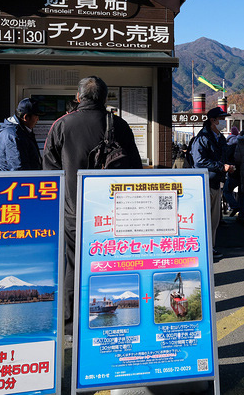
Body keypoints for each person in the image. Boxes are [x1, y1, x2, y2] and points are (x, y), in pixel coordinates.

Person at [42, 76, 142, 337]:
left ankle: (69, 324)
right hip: (113, 213)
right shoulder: (119, 125)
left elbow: (49, 172)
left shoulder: (61, 126)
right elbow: (136, 170)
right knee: (111, 263)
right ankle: (113, 321)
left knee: (72, 265)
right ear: (106, 98)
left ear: (78, 98)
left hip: (74, 211)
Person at [190, 107, 234, 262]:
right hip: (204, 184)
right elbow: (199, 161)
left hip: (216, 182)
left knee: (214, 220)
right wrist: (221, 167)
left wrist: (228, 166)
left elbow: (224, 156)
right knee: (205, 219)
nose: (223, 122)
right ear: (212, 120)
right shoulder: (203, 138)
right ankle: (203, 248)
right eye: (221, 119)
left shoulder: (219, 138)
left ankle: (211, 247)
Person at [0, 98, 42, 171]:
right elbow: (18, 168)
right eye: (36, 116)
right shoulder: (14, 135)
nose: (38, 119)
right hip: (14, 181)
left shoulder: (17, 131)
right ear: (26, 117)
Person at [222, 126, 241, 217]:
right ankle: (243, 212)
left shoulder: (227, 144)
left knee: (226, 191)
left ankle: (234, 205)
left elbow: (226, 158)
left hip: (232, 171)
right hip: (243, 172)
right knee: (243, 193)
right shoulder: (241, 143)